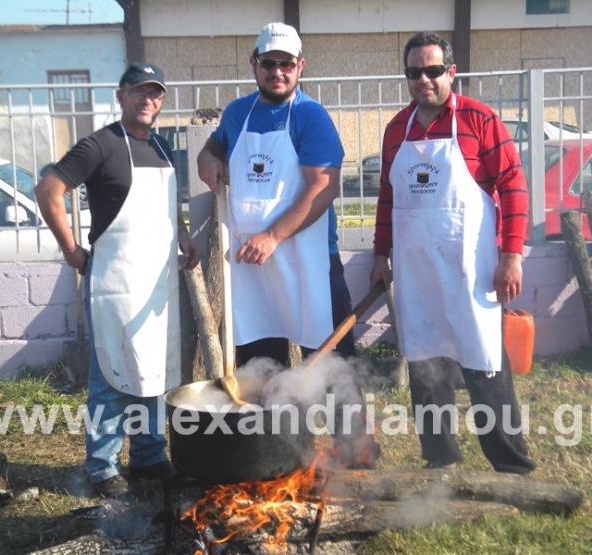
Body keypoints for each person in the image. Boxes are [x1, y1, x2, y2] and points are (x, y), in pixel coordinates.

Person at [197, 22, 374, 467]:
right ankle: (279, 450)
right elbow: (214, 148)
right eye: (270, 63)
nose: (278, 71)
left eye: (287, 64)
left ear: (301, 67)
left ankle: (357, 450)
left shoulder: (310, 116)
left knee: (332, 354)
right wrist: (208, 159)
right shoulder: (238, 112)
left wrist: (273, 235)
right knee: (261, 356)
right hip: (253, 262)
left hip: (308, 257)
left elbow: (323, 187)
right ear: (254, 64)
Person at [370, 32, 535, 475]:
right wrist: (379, 254)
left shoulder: (481, 121)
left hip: (472, 271)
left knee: (484, 364)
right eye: (413, 72)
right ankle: (439, 461)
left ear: (451, 72)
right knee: (425, 366)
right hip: (416, 272)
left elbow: (514, 189)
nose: (423, 79)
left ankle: (511, 465)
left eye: (432, 70)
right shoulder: (394, 132)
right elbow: (387, 199)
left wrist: (512, 256)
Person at [35, 62, 200, 498]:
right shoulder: (100, 145)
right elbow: (48, 189)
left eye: (156, 93)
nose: (149, 100)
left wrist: (182, 233)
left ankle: (149, 456)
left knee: (153, 371)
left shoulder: (163, 147)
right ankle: (102, 466)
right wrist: (71, 250)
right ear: (121, 95)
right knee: (109, 376)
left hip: (157, 283)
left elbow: (168, 206)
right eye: (139, 91)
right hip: (114, 283)